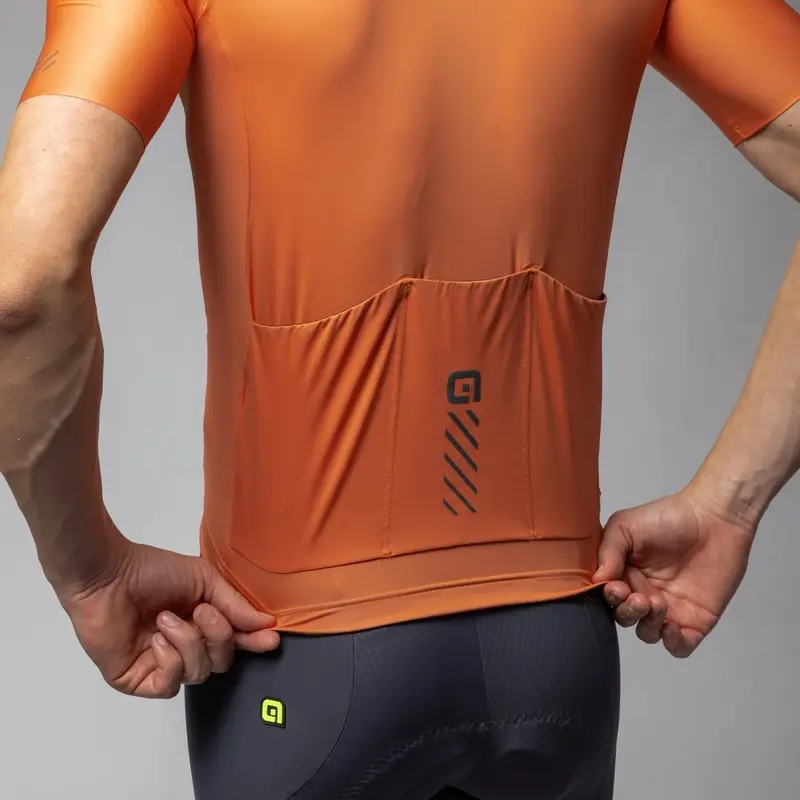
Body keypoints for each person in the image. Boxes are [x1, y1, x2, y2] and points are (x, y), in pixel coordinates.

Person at [2, 0, 800, 797]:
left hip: (303, 653)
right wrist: (729, 506)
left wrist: (90, 574)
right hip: (559, 647)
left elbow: (23, 286)